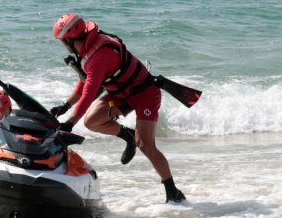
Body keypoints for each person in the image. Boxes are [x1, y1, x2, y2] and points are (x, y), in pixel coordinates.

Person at [48, 13, 187, 203]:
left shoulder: (99, 55)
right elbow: (84, 83)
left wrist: (70, 122)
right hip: (122, 94)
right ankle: (128, 136)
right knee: (91, 121)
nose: (62, 45)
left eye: (62, 41)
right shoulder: (87, 50)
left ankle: (173, 191)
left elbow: (89, 92)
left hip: (145, 93)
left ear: (70, 39)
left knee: (145, 144)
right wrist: (64, 106)